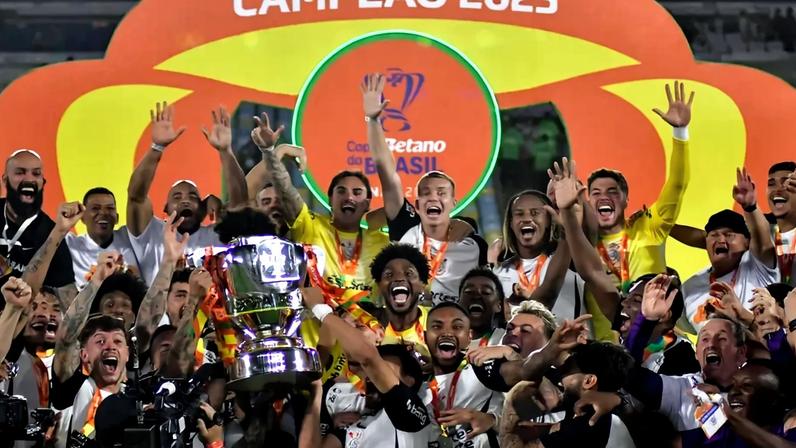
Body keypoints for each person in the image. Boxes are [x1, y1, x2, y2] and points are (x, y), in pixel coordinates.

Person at [362, 73, 486, 305]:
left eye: (441, 193)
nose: (433, 198)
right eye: (426, 193)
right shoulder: (406, 228)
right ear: (416, 205)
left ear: (453, 203)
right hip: (411, 327)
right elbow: (387, 174)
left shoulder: (473, 243)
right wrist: (373, 121)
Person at [254, 111, 389, 303]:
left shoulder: (384, 243)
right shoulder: (311, 225)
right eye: (341, 191)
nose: (349, 197)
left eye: (357, 193)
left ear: (367, 203)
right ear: (330, 199)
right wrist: (270, 152)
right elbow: (285, 188)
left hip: (364, 330)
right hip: (314, 332)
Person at [587, 81, 693, 292]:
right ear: (588, 201)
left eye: (612, 192)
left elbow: (678, 184)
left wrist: (680, 132)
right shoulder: (582, 243)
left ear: (626, 199)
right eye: (596, 193)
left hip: (651, 323)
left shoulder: (648, 227)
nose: (603, 197)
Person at [126, 103, 248, 285]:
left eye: (193, 197)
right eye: (177, 197)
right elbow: (136, 196)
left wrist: (225, 151)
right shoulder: (150, 234)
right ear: (165, 209)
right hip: (159, 313)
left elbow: (240, 203)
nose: (185, 201)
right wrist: (156, 147)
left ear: (203, 208)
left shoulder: (217, 235)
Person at [303, 287, 432, 448]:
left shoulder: (412, 415)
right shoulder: (357, 425)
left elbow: (369, 359)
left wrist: (320, 310)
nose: (371, 375)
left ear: (409, 381)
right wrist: (316, 390)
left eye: (383, 367)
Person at [624, 317, 748, 447]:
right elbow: (629, 374)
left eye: (722, 339)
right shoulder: (683, 389)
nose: (711, 344)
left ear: (741, 353)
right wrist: (646, 318)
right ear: (696, 353)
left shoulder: (758, 390)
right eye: (705, 339)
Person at [682, 171, 778, 331]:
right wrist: (661, 226)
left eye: (729, 235)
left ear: (748, 242)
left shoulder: (757, 267)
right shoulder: (690, 287)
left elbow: (762, 239)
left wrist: (750, 206)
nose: (720, 240)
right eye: (714, 235)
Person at [500, 338, 636, 447]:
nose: (560, 378)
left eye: (567, 370)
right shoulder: (601, 415)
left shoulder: (587, 426)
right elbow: (555, 429)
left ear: (589, 381)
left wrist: (512, 400)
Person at [420, 302, 505, 447]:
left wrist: (491, 420)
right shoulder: (415, 385)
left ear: (469, 336)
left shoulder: (485, 373)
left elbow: (522, 421)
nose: (446, 333)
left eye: (457, 327)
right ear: (425, 336)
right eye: (437, 326)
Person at [493, 190, 582, 323]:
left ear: (548, 220)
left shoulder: (570, 260)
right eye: (519, 214)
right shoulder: (497, 274)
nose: (527, 219)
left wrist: (568, 227)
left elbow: (550, 289)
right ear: (510, 223)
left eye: (535, 213)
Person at [0, 149, 75, 298]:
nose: (29, 179)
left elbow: (68, 302)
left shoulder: (53, 235)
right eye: (20, 172)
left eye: (36, 174)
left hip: (21, 317)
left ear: (43, 183)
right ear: (4, 180)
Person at [53, 315, 130, 448]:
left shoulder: (135, 398)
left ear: (127, 354)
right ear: (84, 354)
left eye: (118, 341)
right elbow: (66, 340)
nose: (110, 347)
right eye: (100, 341)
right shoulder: (73, 390)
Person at [622, 274, 699, 376]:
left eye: (637, 300)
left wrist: (649, 320)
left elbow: (632, 378)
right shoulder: (619, 336)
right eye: (627, 297)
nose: (624, 303)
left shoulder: (682, 361)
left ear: (663, 316)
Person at [66, 187, 139, 288]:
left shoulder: (130, 238)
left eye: (110, 208)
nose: (104, 213)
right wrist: (61, 227)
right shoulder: (70, 244)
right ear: (82, 218)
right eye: (95, 208)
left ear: (117, 218)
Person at [370, 243, 431, 360]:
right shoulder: (365, 325)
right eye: (389, 274)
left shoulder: (437, 322)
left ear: (422, 284)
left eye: (409, 273)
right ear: (379, 286)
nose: (398, 278)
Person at [458, 267, 507, 348]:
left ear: (499, 306)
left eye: (486, 292)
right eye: (469, 291)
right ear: (458, 302)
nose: (476, 296)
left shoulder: (506, 339)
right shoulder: (446, 339)